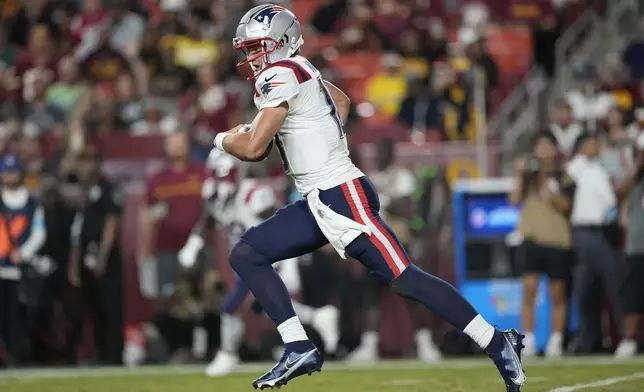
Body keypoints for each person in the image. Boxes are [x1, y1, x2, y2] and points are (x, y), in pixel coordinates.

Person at [212, 5, 525, 391]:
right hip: (321, 196)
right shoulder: (303, 69)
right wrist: (316, 135)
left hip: (341, 195)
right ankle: (298, 346)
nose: (250, 57)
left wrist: (221, 138)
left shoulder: (279, 74)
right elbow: (340, 105)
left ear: (280, 43)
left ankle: (497, 341)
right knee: (248, 254)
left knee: (405, 278)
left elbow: (254, 148)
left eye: (256, 47)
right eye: (248, 49)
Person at [178, 150, 339, 376]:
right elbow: (207, 219)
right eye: (219, 176)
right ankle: (318, 317)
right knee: (261, 306)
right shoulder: (212, 194)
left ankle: (227, 353)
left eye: (227, 175)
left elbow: (283, 225)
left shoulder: (252, 193)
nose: (223, 182)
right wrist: (193, 244)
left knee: (231, 305)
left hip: (266, 254)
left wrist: (289, 261)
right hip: (249, 256)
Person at [349, 138, 442, 362]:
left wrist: (382, 201)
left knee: (411, 293)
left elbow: (408, 208)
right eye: (377, 151)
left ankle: (425, 344)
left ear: (391, 153)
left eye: (382, 150)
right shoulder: (369, 178)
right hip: (373, 243)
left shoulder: (402, 177)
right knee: (371, 295)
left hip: (398, 241)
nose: (378, 156)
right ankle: (369, 346)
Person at [509, 132, 575, 358]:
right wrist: (520, 174)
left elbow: (566, 206)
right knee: (529, 291)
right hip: (531, 240)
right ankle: (528, 340)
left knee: (557, 293)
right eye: (540, 146)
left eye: (548, 146)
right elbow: (513, 200)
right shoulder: (529, 178)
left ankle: (556, 340)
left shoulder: (565, 176)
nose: (544, 151)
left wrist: (549, 187)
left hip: (557, 241)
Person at [566, 133, 623, 354]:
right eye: (591, 144)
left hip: (605, 230)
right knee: (585, 289)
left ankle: (618, 338)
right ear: (581, 147)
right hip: (584, 231)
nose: (595, 147)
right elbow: (567, 183)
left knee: (609, 285)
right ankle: (586, 340)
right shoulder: (577, 166)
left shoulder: (601, 168)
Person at [67, 145, 124, 365]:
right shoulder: (83, 190)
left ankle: (114, 358)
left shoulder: (108, 188)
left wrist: (102, 255)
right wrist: (74, 263)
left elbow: (112, 222)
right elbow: (77, 229)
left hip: (104, 258)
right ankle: (100, 356)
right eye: (84, 160)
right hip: (84, 256)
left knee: (110, 309)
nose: (87, 165)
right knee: (92, 310)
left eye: (92, 160)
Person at [0, 155, 46, 367]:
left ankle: (16, 356)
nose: (10, 176)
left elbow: (38, 233)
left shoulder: (31, 203)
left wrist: (24, 253)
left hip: (19, 269)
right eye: (6, 172)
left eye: (14, 172)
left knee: (17, 317)